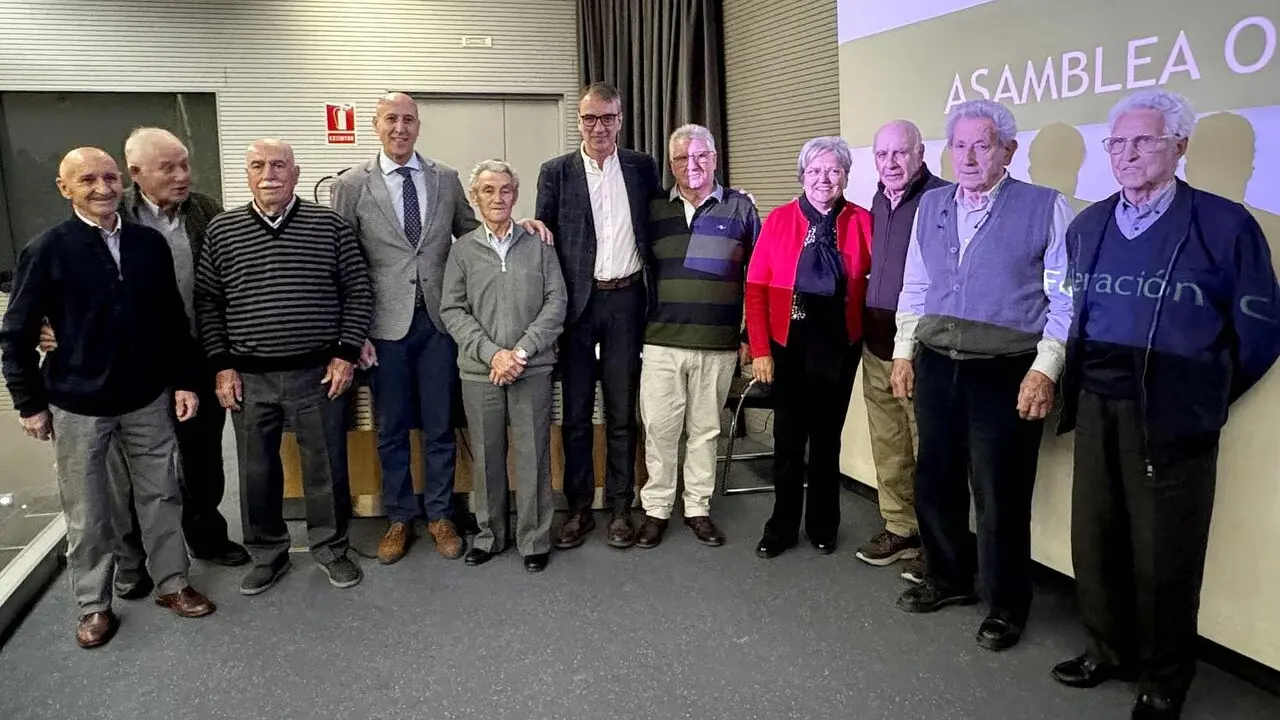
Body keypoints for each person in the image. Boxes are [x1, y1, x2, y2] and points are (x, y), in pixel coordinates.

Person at [1050, 90, 1280, 720]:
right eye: (1117, 142)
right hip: (1098, 402)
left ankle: (1164, 677)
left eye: (1144, 140)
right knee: (1096, 536)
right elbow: (1069, 310)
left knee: (1166, 552)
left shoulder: (1226, 224)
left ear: (1180, 145)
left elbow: (1261, 329)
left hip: (1174, 415)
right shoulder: (1089, 224)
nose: (1127, 154)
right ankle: (1106, 649)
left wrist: (1203, 391)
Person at [1, 147, 217, 649]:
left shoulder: (147, 244)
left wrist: (185, 379)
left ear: (123, 182)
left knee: (162, 493)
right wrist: (28, 402)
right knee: (88, 508)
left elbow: (172, 322)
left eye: (109, 178)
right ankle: (94, 605)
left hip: (146, 395)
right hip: (77, 402)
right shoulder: (47, 249)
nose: (102, 188)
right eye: (87, 180)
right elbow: (16, 332)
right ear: (64, 187)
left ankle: (172, 583)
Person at [329, 92, 550, 565]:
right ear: (376, 125)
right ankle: (398, 518)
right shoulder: (351, 185)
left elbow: (479, 231)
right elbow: (342, 262)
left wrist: (524, 224)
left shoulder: (445, 178)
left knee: (439, 425)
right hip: (382, 328)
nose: (400, 128)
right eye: (391, 119)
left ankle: (440, 515)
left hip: (439, 325)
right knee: (390, 427)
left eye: (409, 119)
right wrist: (354, 334)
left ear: (418, 125)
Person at [890, 99, 1074, 652]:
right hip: (938, 360)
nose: (969, 156)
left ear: (1008, 151)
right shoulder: (932, 205)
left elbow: (1065, 300)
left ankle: (1006, 605)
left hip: (1007, 369)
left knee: (1000, 493)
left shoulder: (1046, 207)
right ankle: (948, 579)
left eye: (983, 144)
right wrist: (904, 351)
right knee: (936, 478)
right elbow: (915, 285)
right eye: (960, 144)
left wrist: (1045, 369)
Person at [41, 128, 249, 601]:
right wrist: (47, 326)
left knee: (201, 457)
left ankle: (205, 535)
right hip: (131, 367)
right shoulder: (113, 213)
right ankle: (131, 559)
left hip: (195, 351)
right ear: (135, 174)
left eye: (185, 165)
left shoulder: (205, 210)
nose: (182, 177)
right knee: (130, 472)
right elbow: (70, 279)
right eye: (168, 168)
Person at [196, 139, 373, 595]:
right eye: (258, 165)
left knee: (326, 466)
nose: (269, 173)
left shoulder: (329, 225)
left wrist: (345, 353)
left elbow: (357, 290)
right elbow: (209, 303)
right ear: (247, 174)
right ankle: (267, 554)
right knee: (256, 471)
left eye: (279, 165)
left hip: (317, 373)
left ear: (296, 174)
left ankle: (331, 549)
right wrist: (222, 366)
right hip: (248, 377)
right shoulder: (223, 230)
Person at [535, 81, 661, 549]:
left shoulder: (641, 167)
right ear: (579, 121)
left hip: (627, 300)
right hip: (577, 308)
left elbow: (666, 219)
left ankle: (622, 507)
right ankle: (579, 509)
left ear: (620, 120)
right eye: (590, 118)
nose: (599, 127)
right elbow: (543, 234)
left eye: (608, 117)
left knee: (623, 411)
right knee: (575, 416)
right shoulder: (557, 172)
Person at [744, 136, 872, 559]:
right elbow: (756, 288)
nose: (824, 179)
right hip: (789, 343)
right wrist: (760, 349)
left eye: (833, 170)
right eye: (815, 171)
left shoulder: (861, 221)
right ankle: (780, 527)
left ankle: (823, 524)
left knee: (827, 440)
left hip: (839, 345)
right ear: (802, 176)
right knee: (787, 440)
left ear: (845, 177)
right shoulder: (779, 220)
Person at [634, 124, 760, 549]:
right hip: (660, 340)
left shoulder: (740, 208)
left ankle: (697, 508)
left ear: (715, 158)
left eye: (701, 156)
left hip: (717, 343)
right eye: (683, 158)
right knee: (660, 429)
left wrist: (748, 335)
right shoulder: (652, 210)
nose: (693, 165)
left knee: (705, 430)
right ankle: (656, 508)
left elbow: (757, 278)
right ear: (671, 164)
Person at [440, 160, 567, 573]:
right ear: (475, 198)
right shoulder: (461, 251)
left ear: (516, 194)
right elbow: (452, 310)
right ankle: (490, 535)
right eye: (488, 191)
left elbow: (556, 303)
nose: (498, 198)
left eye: (506, 190)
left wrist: (521, 352)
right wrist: (492, 354)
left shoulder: (540, 244)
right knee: (488, 456)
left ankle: (534, 539)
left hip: (531, 369)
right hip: (480, 372)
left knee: (533, 456)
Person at [856, 120, 948, 572]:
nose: (890, 163)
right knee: (888, 441)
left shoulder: (942, 198)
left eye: (899, 153)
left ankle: (938, 544)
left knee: (927, 446)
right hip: (875, 340)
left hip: (920, 345)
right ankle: (900, 528)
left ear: (920, 153)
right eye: (881, 155)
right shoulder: (876, 199)